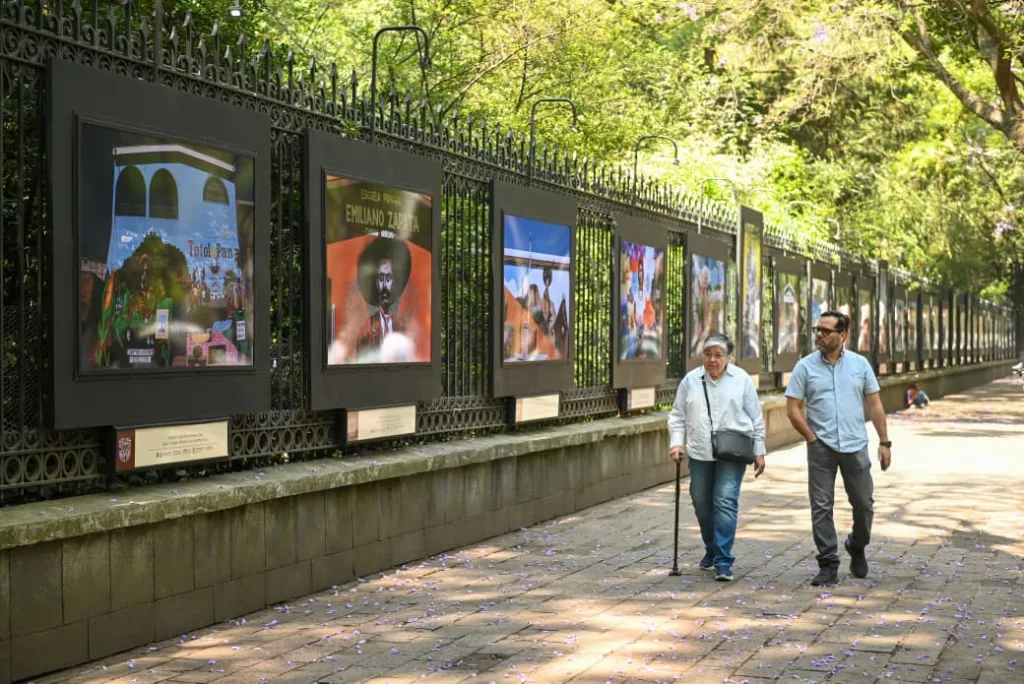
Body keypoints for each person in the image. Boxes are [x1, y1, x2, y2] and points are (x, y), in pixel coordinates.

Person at [785, 310, 891, 586]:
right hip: (821, 447)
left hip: (855, 445)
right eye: (818, 330)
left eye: (826, 331)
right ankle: (828, 563)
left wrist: (884, 441)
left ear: (842, 335)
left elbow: (875, 404)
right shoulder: (805, 367)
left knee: (864, 503)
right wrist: (810, 437)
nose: (820, 335)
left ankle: (857, 544)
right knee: (821, 506)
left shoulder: (859, 365)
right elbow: (792, 408)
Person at [668, 332, 767, 582]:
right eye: (708, 354)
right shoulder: (691, 380)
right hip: (700, 451)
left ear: (728, 357)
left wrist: (759, 450)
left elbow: (756, 416)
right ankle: (711, 547)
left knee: (724, 499)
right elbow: (677, 415)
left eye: (718, 355)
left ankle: (723, 560)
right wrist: (676, 444)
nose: (712, 360)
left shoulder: (741, 379)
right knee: (701, 501)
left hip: (732, 451)